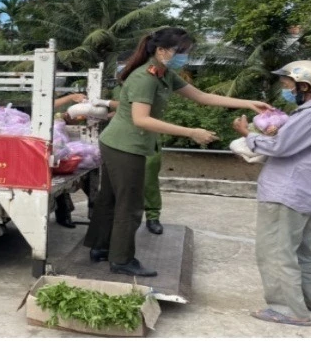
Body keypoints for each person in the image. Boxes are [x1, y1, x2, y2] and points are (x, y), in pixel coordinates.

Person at [83, 27, 272, 277]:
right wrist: (190, 132)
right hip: (125, 146)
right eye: (181, 52)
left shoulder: (164, 74)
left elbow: (201, 96)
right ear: (162, 51)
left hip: (122, 143)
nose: (185, 57)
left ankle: (100, 247)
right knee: (129, 205)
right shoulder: (144, 78)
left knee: (110, 198)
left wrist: (247, 102)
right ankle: (121, 260)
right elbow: (141, 119)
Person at [232, 60, 311, 327]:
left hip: (285, 192)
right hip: (303, 192)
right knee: (300, 249)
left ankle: (288, 309)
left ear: (305, 85)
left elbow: (280, 147)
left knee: (276, 252)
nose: (286, 89)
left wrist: (248, 135)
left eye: (289, 84)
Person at [95, 52, 165, 235]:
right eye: (120, 65)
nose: (122, 68)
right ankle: (108, 241)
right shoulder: (117, 84)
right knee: (118, 191)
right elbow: (125, 109)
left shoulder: (147, 78)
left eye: (124, 64)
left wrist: (107, 103)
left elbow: (136, 107)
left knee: (148, 180)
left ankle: (153, 216)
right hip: (122, 140)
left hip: (145, 139)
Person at [53, 92, 87, 228]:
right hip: (54, 147)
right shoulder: (55, 100)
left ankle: (65, 214)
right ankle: (64, 215)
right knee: (58, 183)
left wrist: (72, 117)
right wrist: (71, 97)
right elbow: (50, 105)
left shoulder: (81, 108)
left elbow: (77, 119)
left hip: (69, 147)